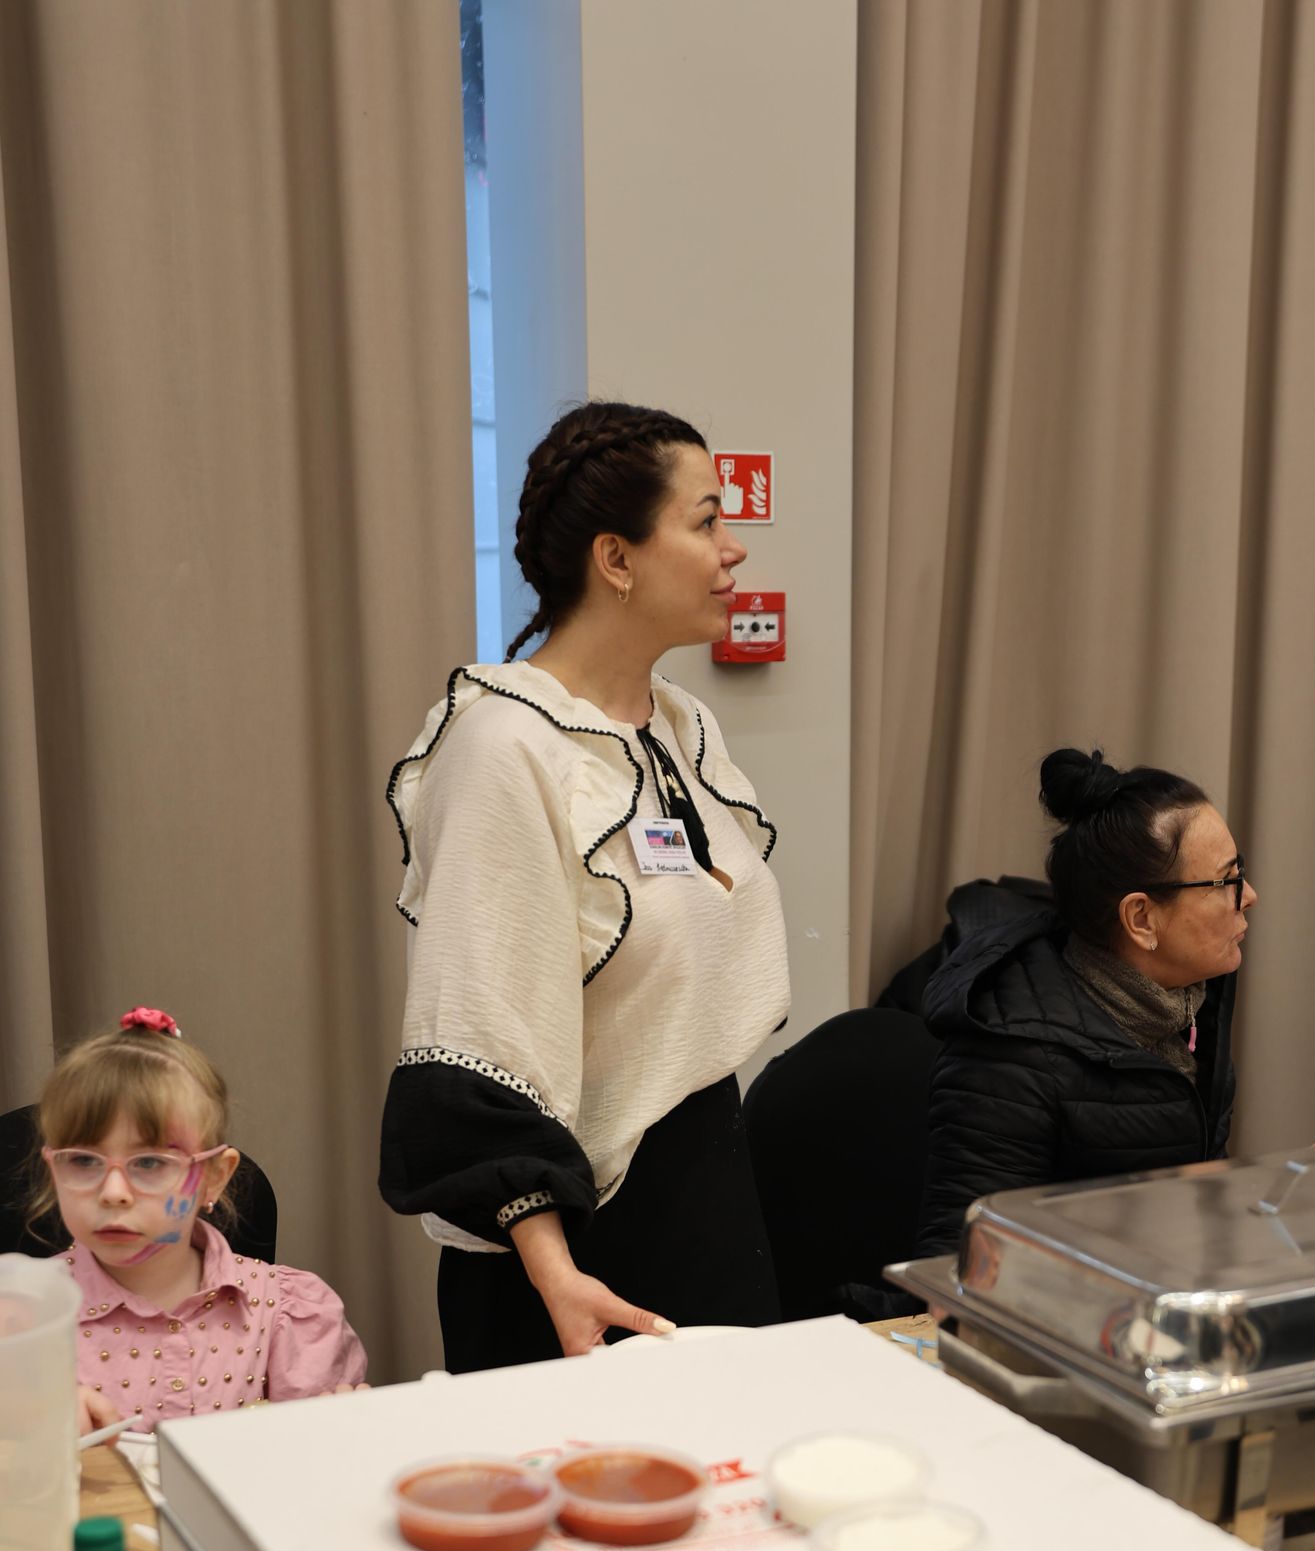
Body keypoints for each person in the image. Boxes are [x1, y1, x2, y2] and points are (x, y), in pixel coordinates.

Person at [379, 401, 790, 1369]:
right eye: (706, 521)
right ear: (617, 558)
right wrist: (555, 1273)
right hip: (571, 1257)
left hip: (703, 1194)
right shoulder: (503, 747)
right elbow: (477, 1029)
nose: (733, 549)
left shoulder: (679, 730)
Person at [916, 747, 1315, 1255]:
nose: (1250, 895)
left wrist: (1295, 1187)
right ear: (1141, 919)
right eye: (1226, 880)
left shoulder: (1183, 1006)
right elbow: (959, 1269)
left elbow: (1192, 1213)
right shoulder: (1009, 1058)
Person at [31, 1010, 367, 1433]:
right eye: (83, 1161)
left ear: (214, 1178)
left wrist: (342, 1432)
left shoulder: (288, 1312)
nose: (113, 1192)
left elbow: (317, 1456)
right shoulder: (24, 1317)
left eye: (150, 1162)